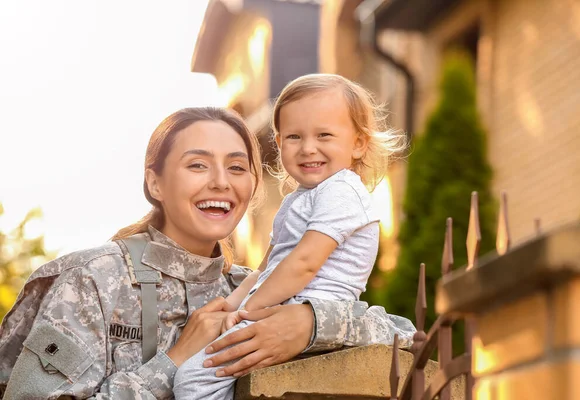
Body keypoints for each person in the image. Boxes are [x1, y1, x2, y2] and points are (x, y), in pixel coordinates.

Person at [0, 106, 416, 399]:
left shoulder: (253, 289)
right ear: (156, 183)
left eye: (237, 168)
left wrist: (307, 325)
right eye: (198, 165)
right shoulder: (92, 280)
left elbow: (402, 335)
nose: (220, 182)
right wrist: (173, 361)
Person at [173, 74, 411, 400]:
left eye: (324, 135)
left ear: (358, 143)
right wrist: (229, 306)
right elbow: (265, 268)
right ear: (279, 141)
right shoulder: (297, 199)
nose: (308, 148)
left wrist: (249, 310)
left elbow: (304, 264)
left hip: (309, 312)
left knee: (195, 380)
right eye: (294, 137)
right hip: (281, 305)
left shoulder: (341, 190)